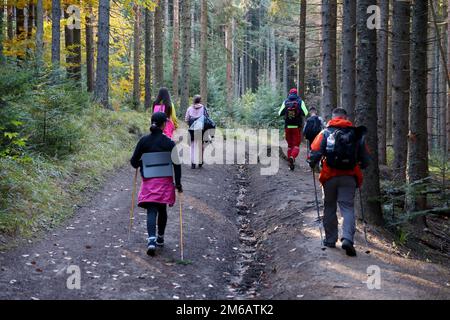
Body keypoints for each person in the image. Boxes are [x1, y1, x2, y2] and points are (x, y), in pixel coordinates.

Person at [308, 108, 370, 257]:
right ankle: (348, 239)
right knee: (347, 207)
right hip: (349, 176)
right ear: (346, 117)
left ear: (333, 118)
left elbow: (314, 153)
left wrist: (312, 163)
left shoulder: (325, 133)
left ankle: (330, 240)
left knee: (329, 206)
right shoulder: (356, 134)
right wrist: (360, 164)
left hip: (329, 176)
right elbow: (366, 159)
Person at [130, 112, 183, 256]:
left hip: (149, 183)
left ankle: (151, 241)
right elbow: (177, 164)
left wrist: (143, 162)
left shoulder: (143, 141)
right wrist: (178, 184)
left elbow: (134, 162)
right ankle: (160, 237)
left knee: (151, 210)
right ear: (164, 124)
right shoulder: (169, 143)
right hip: (164, 184)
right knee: (162, 209)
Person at [278, 88, 309, 171]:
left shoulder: (286, 101)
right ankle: (292, 157)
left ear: (289, 93)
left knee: (289, 146)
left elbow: (279, 113)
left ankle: (290, 164)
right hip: (297, 127)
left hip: (287, 127)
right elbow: (306, 113)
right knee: (296, 145)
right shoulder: (300, 101)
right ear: (296, 93)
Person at [185, 95, 209, 169]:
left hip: (192, 129)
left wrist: (190, 124)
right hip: (201, 129)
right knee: (201, 145)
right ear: (200, 101)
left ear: (193, 101)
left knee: (192, 146)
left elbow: (186, 119)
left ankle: (193, 163)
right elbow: (207, 118)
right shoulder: (204, 108)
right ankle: (200, 161)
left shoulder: (189, 108)